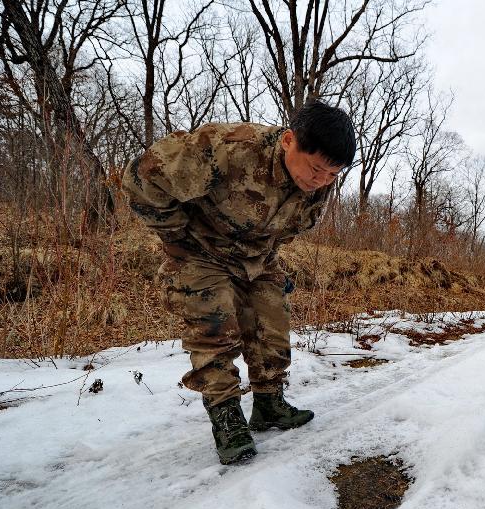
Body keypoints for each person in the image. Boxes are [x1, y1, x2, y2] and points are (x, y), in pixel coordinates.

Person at [122, 101, 356, 465]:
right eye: (316, 169)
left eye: (331, 175)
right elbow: (142, 178)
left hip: (257, 258)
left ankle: (269, 403)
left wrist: (268, 264)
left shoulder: (318, 186)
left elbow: (289, 228)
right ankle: (227, 419)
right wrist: (178, 237)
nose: (321, 181)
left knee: (273, 324)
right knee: (215, 329)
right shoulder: (230, 148)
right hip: (201, 251)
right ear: (289, 141)